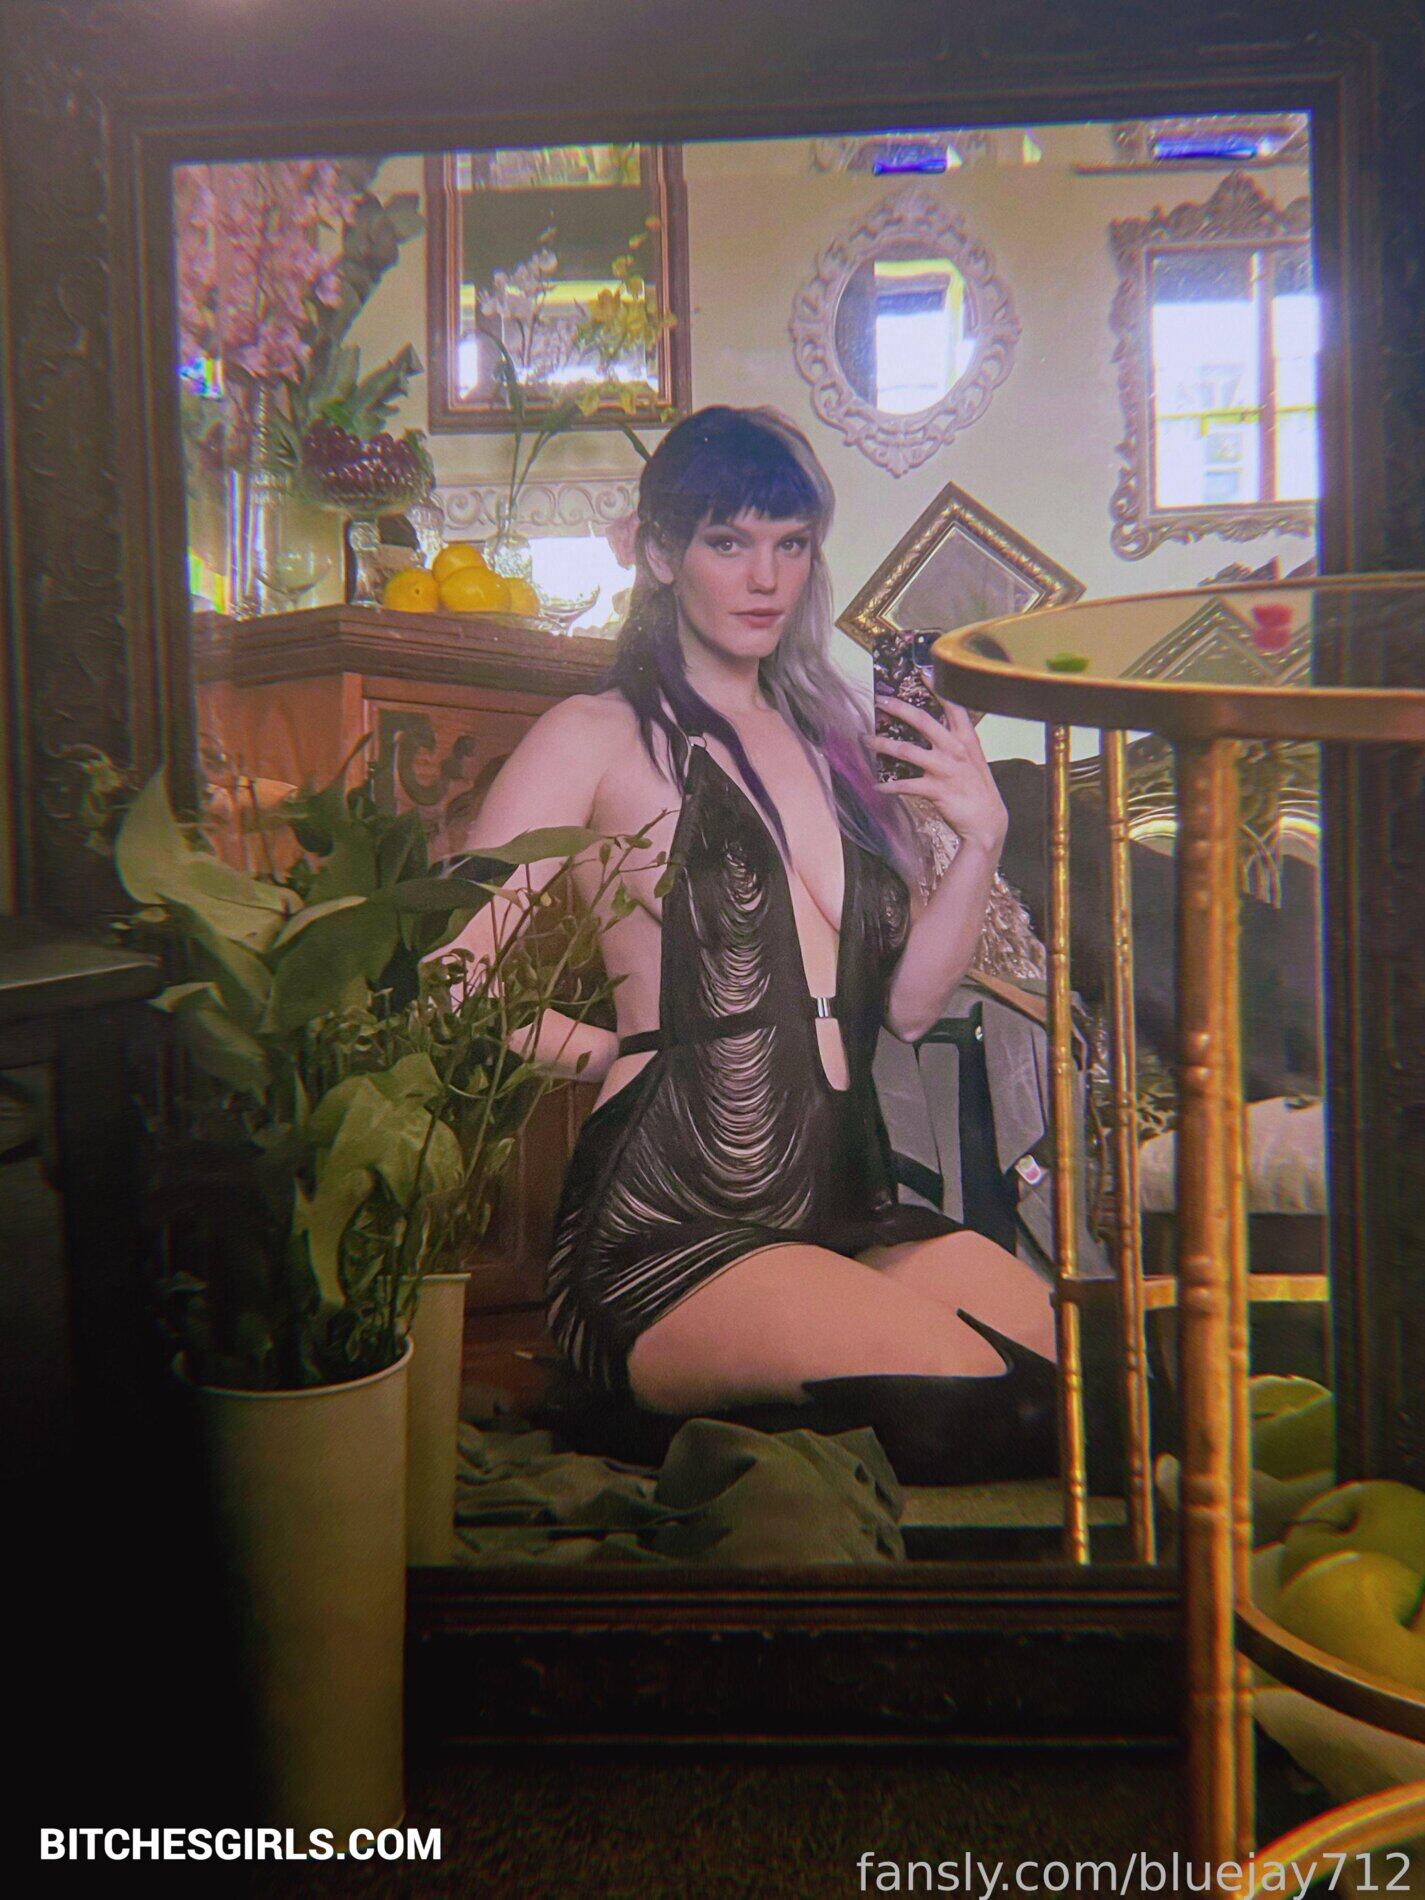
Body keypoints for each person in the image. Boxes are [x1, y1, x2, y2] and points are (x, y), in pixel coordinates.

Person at [447, 406, 1059, 1483]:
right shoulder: (593, 734)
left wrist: (981, 839)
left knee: (1098, 1391)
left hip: (845, 1204)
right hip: (671, 1223)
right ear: (659, 553)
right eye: (727, 542)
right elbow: (451, 985)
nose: (764, 577)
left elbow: (908, 1007)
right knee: (973, 1409)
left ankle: (728, 1420)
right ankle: (630, 1407)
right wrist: (622, 1053)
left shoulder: (839, 744)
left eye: (791, 543)